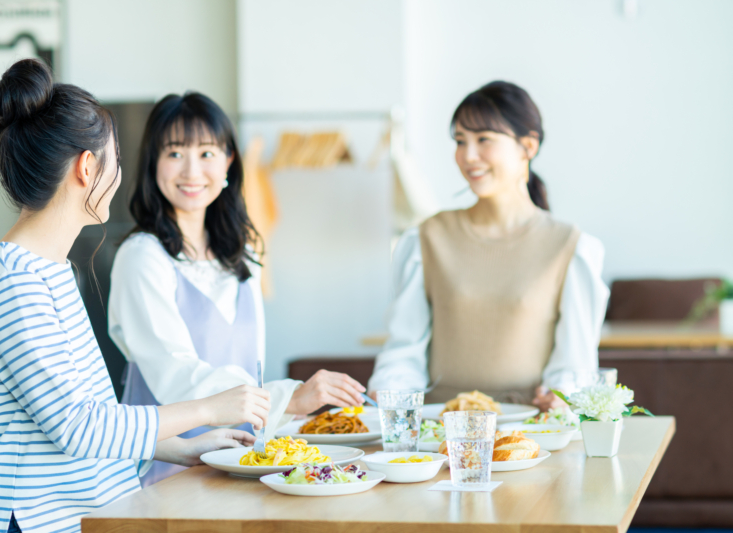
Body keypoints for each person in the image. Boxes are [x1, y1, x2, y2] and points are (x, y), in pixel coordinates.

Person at [0, 59, 270, 533]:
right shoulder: (10, 280)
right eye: (116, 159)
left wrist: (177, 446)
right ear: (87, 167)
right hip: (24, 521)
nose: (119, 174)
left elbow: (90, 414)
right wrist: (208, 408)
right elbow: (77, 427)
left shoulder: (51, 270)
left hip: (78, 512)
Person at [107, 92, 366, 486]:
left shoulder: (243, 255)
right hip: (166, 473)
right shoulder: (142, 257)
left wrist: (279, 414)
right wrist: (289, 398)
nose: (192, 170)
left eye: (207, 153)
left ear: (229, 161)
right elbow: (176, 375)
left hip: (239, 463)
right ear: (153, 164)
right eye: (175, 153)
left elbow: (252, 367)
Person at [368, 81, 610, 411]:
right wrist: (389, 392)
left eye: (484, 139)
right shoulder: (426, 239)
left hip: (528, 436)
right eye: (459, 141)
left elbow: (574, 366)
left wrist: (563, 395)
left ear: (528, 146)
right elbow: (403, 351)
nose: (468, 156)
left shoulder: (570, 246)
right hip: (439, 432)